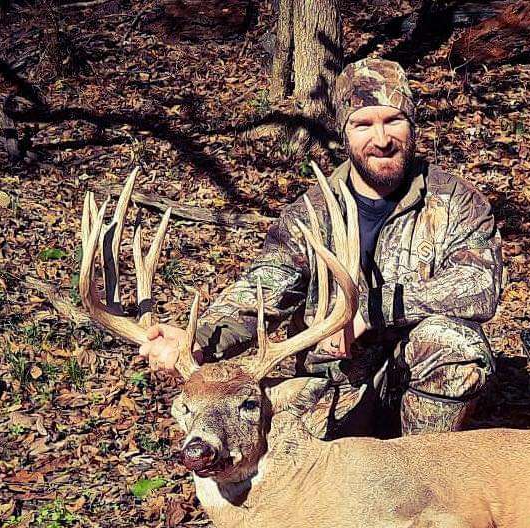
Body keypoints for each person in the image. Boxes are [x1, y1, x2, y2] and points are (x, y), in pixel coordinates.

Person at [138, 58, 504, 438]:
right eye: (363, 124)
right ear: (344, 134)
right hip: (334, 384)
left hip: (418, 381)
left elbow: (477, 286)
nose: (381, 139)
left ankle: (427, 476)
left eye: (393, 120)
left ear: (412, 125)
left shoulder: (455, 200)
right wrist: (200, 338)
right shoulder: (311, 212)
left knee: (452, 344)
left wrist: (367, 310)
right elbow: (266, 285)